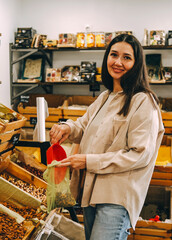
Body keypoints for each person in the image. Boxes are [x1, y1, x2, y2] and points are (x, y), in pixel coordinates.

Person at [49, 34, 164, 240]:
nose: (118, 62)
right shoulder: (106, 96)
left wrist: (87, 161)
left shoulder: (143, 101)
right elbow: (83, 125)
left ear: (137, 64)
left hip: (116, 198)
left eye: (127, 58)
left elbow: (139, 154)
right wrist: (67, 128)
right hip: (91, 192)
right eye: (114, 55)